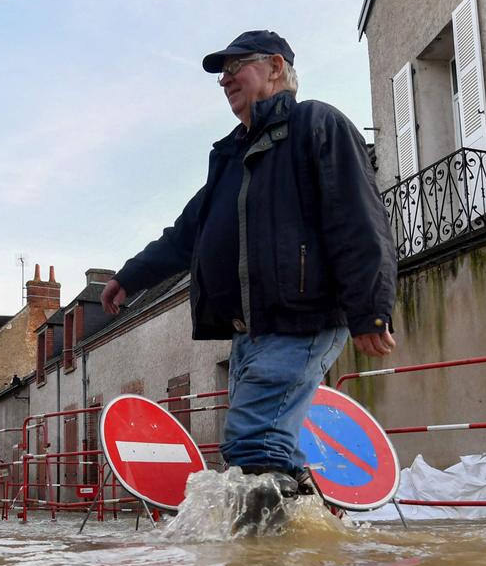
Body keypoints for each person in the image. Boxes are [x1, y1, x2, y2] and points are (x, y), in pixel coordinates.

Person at [100, 30, 397, 526]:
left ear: (276, 67)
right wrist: (131, 277)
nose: (224, 79)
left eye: (235, 66)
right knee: (265, 444)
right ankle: (312, 542)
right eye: (222, 72)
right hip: (249, 331)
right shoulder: (231, 155)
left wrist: (371, 307)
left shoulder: (317, 124)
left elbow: (359, 219)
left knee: (253, 440)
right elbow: (186, 234)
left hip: (304, 318)